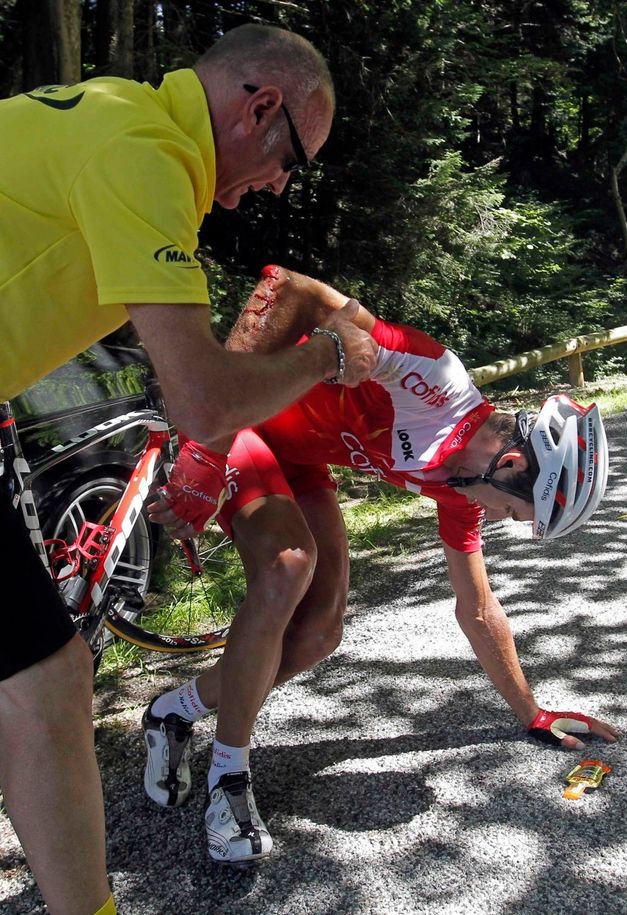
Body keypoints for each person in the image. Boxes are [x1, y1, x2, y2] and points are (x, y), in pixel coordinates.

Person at [0, 26, 378, 915]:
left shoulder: (115, 116)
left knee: (37, 680)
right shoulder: (147, 153)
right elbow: (204, 399)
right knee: (46, 682)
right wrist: (328, 353)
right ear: (259, 108)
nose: (282, 183)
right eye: (294, 160)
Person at [144, 265, 619, 867]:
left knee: (320, 633)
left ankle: (172, 711)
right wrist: (205, 445)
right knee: (291, 564)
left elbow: (476, 608)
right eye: (515, 512)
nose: (504, 522)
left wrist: (532, 713)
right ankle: (228, 779)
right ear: (508, 466)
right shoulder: (436, 380)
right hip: (241, 423)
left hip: (299, 461)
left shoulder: (458, 488)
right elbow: (293, 289)